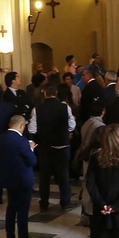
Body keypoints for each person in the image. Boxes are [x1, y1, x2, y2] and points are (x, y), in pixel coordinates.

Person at [0, 114, 41, 238]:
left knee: (11, 209)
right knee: (23, 212)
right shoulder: (21, 141)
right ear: (21, 125)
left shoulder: (0, 138)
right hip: (23, 180)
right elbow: (32, 161)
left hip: (8, 179)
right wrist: (31, 149)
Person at [29, 83, 76, 213]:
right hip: (62, 146)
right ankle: (65, 201)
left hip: (45, 147)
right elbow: (72, 125)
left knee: (44, 177)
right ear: (56, 94)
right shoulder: (65, 107)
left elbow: (32, 129)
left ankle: (44, 203)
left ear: (45, 94)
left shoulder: (37, 109)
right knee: (63, 175)